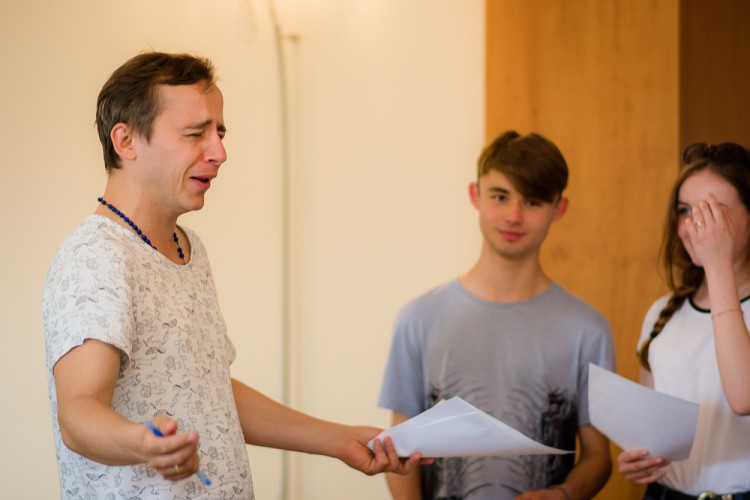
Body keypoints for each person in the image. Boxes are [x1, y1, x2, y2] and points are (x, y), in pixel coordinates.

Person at [42, 51, 424, 499]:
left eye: (219, 133)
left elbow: (211, 393)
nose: (219, 153)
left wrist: (338, 440)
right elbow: (78, 414)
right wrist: (144, 443)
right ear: (126, 141)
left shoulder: (188, 248)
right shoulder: (95, 256)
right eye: (195, 134)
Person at [378, 130, 616, 500]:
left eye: (533, 202)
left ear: (559, 208)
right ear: (476, 195)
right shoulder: (418, 319)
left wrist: (564, 494)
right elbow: (398, 448)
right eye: (500, 197)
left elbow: (598, 455)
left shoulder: (588, 330)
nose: (513, 216)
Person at [618, 142, 750, 499]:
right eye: (684, 211)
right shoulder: (663, 312)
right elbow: (651, 428)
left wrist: (718, 264)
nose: (694, 227)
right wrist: (638, 459)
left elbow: (744, 397)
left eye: (712, 212)